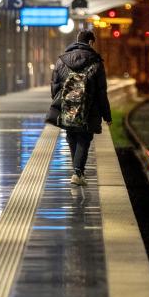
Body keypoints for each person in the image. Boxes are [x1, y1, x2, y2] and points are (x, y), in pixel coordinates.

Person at [46, 29, 111, 187]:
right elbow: (102, 92)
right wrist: (106, 116)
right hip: (90, 108)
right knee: (84, 138)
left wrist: (61, 101)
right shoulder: (96, 61)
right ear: (90, 42)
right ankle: (77, 172)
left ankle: (77, 171)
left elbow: (54, 87)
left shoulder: (62, 60)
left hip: (67, 106)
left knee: (71, 134)